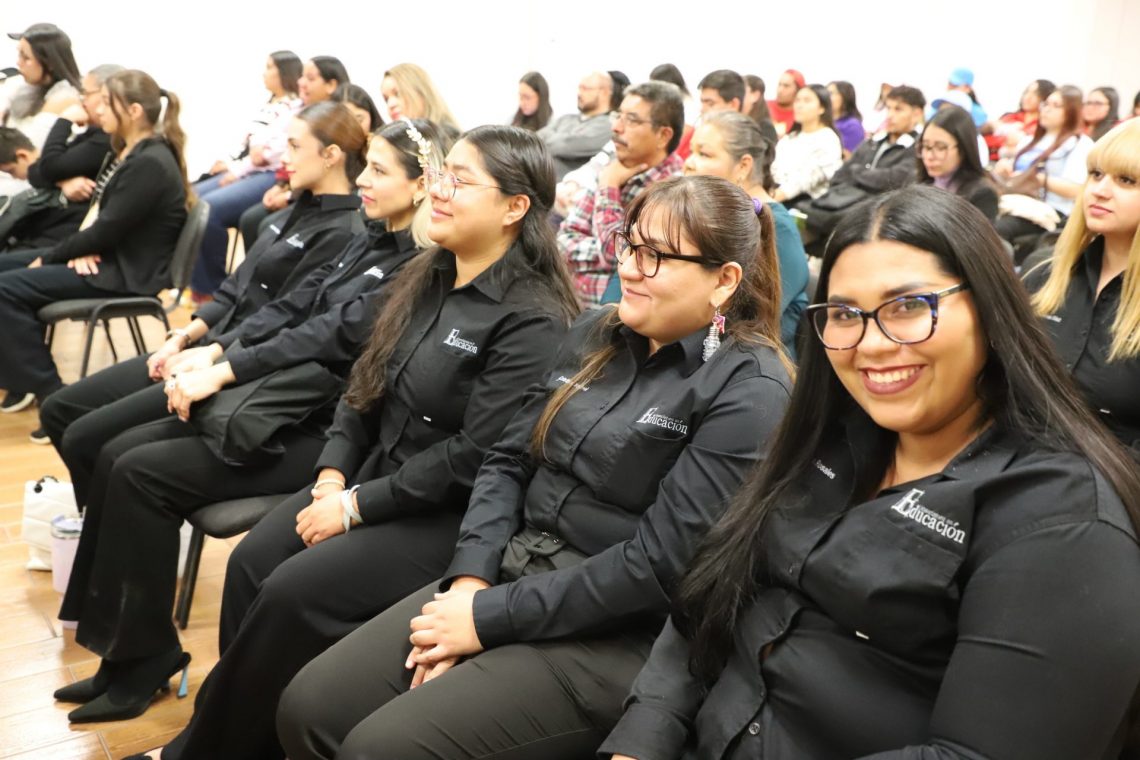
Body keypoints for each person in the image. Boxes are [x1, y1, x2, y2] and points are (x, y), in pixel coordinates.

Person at [601, 185, 1140, 760]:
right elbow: (709, 593)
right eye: (843, 314)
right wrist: (642, 739)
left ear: (988, 309)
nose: (872, 344)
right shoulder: (828, 438)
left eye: (908, 306)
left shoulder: (1062, 520)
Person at [277, 174, 794, 760]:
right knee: (310, 707)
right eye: (629, 244)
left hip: (611, 632)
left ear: (724, 280)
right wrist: (471, 579)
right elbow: (505, 460)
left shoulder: (751, 390)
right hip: (510, 570)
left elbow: (657, 568)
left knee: (378, 749)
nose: (628, 268)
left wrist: (488, 617)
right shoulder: (596, 331)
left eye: (656, 256)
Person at [113, 125, 579, 758]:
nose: (438, 190)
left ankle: (204, 750)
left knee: (291, 592)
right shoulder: (430, 271)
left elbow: (474, 458)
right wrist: (332, 475)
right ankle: (235, 736)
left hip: (444, 511)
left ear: (514, 208)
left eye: (459, 180)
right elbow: (366, 384)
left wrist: (354, 506)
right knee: (251, 564)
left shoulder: (533, 316)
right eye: (440, 174)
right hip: (368, 477)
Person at [50, 120, 457, 730]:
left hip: (320, 427)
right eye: (366, 166)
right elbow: (296, 304)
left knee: (137, 472)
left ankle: (145, 662)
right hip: (281, 401)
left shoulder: (419, 265)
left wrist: (225, 367)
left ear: (421, 184)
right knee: (115, 455)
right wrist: (214, 350)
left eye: (378, 170)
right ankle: (126, 653)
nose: (363, 180)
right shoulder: (369, 235)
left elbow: (330, 332)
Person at [0, 69, 189, 413]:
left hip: (125, 273)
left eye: (106, 103)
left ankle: (50, 393)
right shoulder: (127, 152)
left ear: (133, 111)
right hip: (108, 257)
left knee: (5, 288)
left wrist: (56, 256)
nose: (97, 110)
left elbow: (107, 229)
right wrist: (80, 248)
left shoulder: (149, 162)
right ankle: (17, 372)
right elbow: (101, 218)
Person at [1025, 119, 1140, 451]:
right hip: (1018, 457)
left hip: (1113, 472)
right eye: (1096, 174)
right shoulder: (1045, 273)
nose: (1099, 190)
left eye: (1126, 180)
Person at [682, 110, 808, 352]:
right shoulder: (701, 218)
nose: (689, 162)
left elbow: (744, 319)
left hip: (746, 361)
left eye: (704, 154)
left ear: (743, 166)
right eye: (691, 152)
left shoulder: (777, 227)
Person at [189, 51, 304, 300]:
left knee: (208, 208)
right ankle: (197, 283)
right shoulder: (270, 105)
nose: (264, 73)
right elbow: (248, 144)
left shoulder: (296, 107)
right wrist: (229, 162)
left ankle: (212, 289)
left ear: (285, 72)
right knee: (190, 197)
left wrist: (237, 170)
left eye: (270, 67)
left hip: (270, 174)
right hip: (247, 169)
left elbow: (266, 155)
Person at [558, 80, 684, 306]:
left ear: (663, 135)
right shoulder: (616, 166)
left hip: (610, 317)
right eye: (618, 115)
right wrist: (606, 257)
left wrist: (608, 187)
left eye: (632, 120)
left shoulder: (673, 191)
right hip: (570, 306)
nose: (616, 127)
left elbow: (617, 253)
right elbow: (565, 239)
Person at [0, 64, 118, 252]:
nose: (82, 101)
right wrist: (61, 181)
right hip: (53, 226)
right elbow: (36, 171)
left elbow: (48, 167)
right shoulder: (90, 133)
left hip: (68, 234)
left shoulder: (106, 141)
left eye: (87, 94)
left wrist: (64, 121)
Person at [239, 56, 350, 252]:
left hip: (305, 193)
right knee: (252, 220)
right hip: (292, 186)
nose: (301, 82)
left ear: (331, 85)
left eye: (310, 78)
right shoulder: (296, 109)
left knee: (261, 223)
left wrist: (289, 195)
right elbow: (267, 143)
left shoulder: (337, 123)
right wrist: (280, 186)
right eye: (301, 76)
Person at [797, 85, 925, 244]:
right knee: (799, 213)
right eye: (888, 108)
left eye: (898, 109)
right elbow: (840, 174)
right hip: (840, 203)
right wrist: (865, 175)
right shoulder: (873, 142)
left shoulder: (917, 148)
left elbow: (895, 180)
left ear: (917, 113)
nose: (890, 115)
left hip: (876, 216)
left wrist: (856, 171)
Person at [993, 85, 1093, 259]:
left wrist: (1039, 179)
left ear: (1071, 111)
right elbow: (1016, 176)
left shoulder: (1080, 145)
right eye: (1046, 104)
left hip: (1051, 210)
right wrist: (1003, 169)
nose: (1047, 109)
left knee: (999, 228)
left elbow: (1077, 189)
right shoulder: (1029, 141)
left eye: (1056, 105)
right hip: (1016, 201)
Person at [1, 23, 81, 196]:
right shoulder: (24, 87)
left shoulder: (64, 98)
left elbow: (30, 151)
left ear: (49, 63)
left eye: (26, 58)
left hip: (29, 184)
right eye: (19, 54)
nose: (18, 63)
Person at [918, 105, 1000, 221]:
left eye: (940, 148)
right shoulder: (917, 182)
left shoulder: (981, 194)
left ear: (964, 149)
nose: (929, 156)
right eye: (926, 146)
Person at [770, 83, 842, 206]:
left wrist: (767, 200)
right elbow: (774, 169)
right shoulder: (790, 137)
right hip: (777, 194)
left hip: (805, 204)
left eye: (807, 100)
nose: (799, 105)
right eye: (797, 100)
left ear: (822, 108)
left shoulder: (828, 139)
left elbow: (803, 182)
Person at [537, 71, 613, 178]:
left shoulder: (608, 125)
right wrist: (563, 138)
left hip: (565, 185)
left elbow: (564, 147)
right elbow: (535, 140)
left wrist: (553, 136)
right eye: (579, 88)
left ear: (604, 93)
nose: (579, 93)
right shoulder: (566, 119)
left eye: (585, 88)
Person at [984, 79, 1055, 162]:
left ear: (1045, 100)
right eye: (1027, 92)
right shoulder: (1009, 117)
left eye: (1036, 94)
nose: (1028, 97)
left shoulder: (1043, 125)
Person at [380, 63, 460, 135]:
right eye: (386, 99)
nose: (390, 104)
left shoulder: (449, 138)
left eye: (397, 94)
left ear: (421, 92)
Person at [828, 80, 863, 156]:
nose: (826, 97)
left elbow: (850, 157)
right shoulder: (824, 122)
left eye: (831, 93)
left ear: (845, 96)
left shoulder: (852, 125)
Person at [767, 68, 804, 137]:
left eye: (786, 86)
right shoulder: (765, 106)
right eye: (779, 85)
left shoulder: (801, 115)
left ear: (798, 90)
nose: (780, 90)